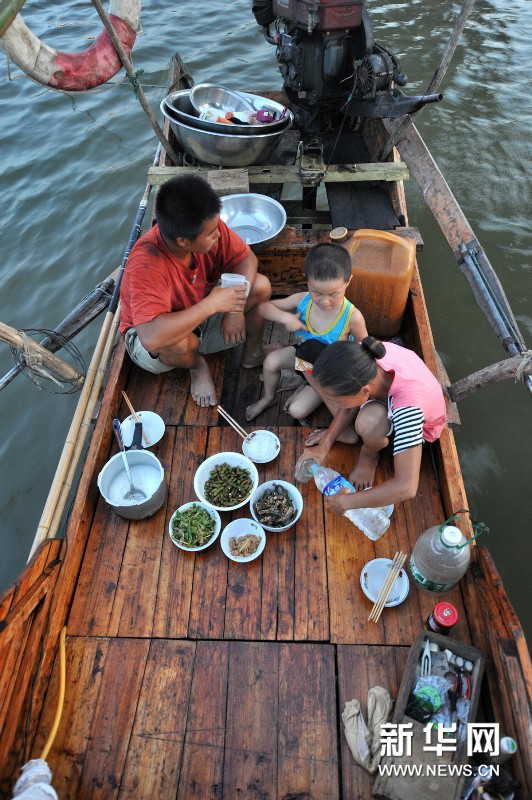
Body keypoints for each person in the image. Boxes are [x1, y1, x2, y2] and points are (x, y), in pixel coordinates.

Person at [119, 175, 271, 406]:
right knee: (177, 343)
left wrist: (235, 310)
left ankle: (253, 353)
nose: (218, 234)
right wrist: (211, 305)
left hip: (199, 309)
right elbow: (152, 338)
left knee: (260, 286)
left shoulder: (209, 225)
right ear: (183, 242)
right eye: (211, 234)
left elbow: (245, 258)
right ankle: (197, 365)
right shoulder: (146, 265)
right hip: (155, 339)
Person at [296, 336, 447, 513]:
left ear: (365, 391)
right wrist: (325, 445)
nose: (336, 405)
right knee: (306, 354)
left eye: (337, 400)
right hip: (385, 397)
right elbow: (348, 405)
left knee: (370, 421)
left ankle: (370, 455)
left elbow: (406, 487)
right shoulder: (363, 353)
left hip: (420, 428)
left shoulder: (409, 409)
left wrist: (346, 502)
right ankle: (353, 429)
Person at [245, 242, 368, 421]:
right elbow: (263, 308)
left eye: (333, 294)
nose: (325, 301)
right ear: (308, 282)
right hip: (304, 357)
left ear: (348, 281)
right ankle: (268, 398)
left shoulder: (353, 317)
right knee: (271, 362)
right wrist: (286, 318)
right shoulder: (303, 300)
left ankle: (304, 383)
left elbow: (363, 349)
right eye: (317, 293)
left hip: (326, 372)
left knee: (296, 411)